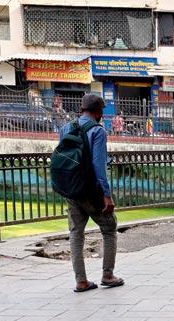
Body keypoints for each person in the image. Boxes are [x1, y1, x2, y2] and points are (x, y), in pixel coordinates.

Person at [59, 94, 122, 293]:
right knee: (109, 227)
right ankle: (108, 274)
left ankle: (81, 281)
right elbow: (98, 166)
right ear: (98, 111)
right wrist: (107, 196)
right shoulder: (98, 131)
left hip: (70, 187)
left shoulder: (66, 128)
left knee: (76, 233)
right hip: (90, 189)